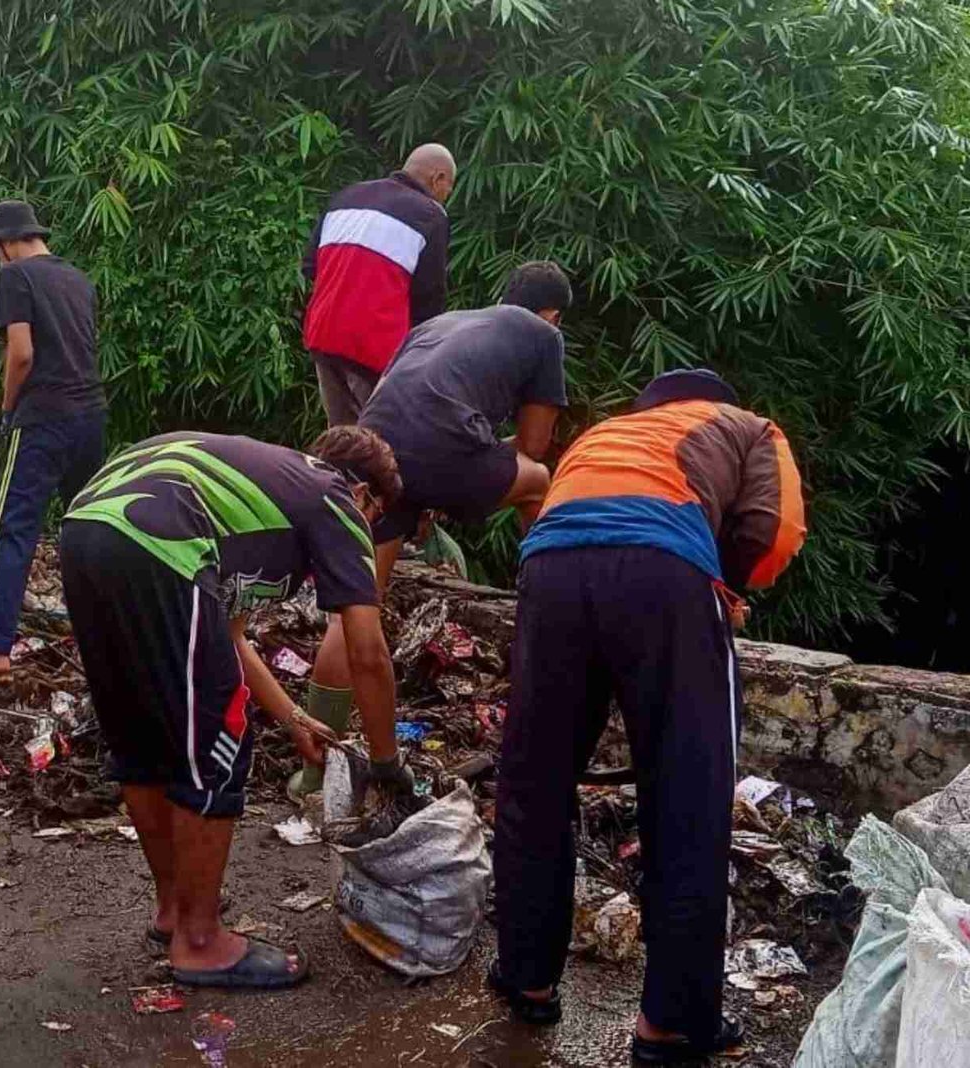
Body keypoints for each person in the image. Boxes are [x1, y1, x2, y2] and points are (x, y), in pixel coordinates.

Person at [489, 369, 806, 1064]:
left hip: (549, 574)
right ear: (716, 398)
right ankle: (672, 1022)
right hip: (664, 573)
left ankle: (527, 978)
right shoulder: (749, 425)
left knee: (534, 782)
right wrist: (722, 582)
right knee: (688, 797)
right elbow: (772, 530)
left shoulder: (601, 434)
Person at [59, 426, 410, 989]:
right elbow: (367, 653)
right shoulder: (336, 496)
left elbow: (230, 634)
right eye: (379, 520)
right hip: (160, 542)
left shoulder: (274, 483)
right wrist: (388, 766)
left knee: (144, 734)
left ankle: (175, 910)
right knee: (219, 739)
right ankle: (200, 942)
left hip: (87, 529)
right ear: (367, 496)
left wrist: (295, 718)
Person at [301, 261, 572, 798]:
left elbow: (398, 400)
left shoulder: (442, 323)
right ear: (553, 314)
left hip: (377, 453)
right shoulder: (544, 337)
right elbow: (534, 447)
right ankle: (551, 605)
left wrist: (428, 487)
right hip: (443, 449)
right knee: (540, 481)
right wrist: (464, 475)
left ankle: (314, 770)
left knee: (357, 606)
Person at [0, 200, 107, 688]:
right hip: (90, 416)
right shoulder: (78, 279)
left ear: (4, 244)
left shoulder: (14, 278)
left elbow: (21, 354)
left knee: (14, 529)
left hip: (43, 418)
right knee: (85, 532)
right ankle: (105, 640)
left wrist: (6, 410)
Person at [302, 143, 456, 426]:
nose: (446, 196)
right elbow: (428, 302)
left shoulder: (347, 196)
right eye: (449, 188)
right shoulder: (431, 215)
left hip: (323, 335)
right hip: (373, 347)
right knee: (381, 440)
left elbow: (310, 266)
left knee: (341, 437)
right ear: (439, 178)